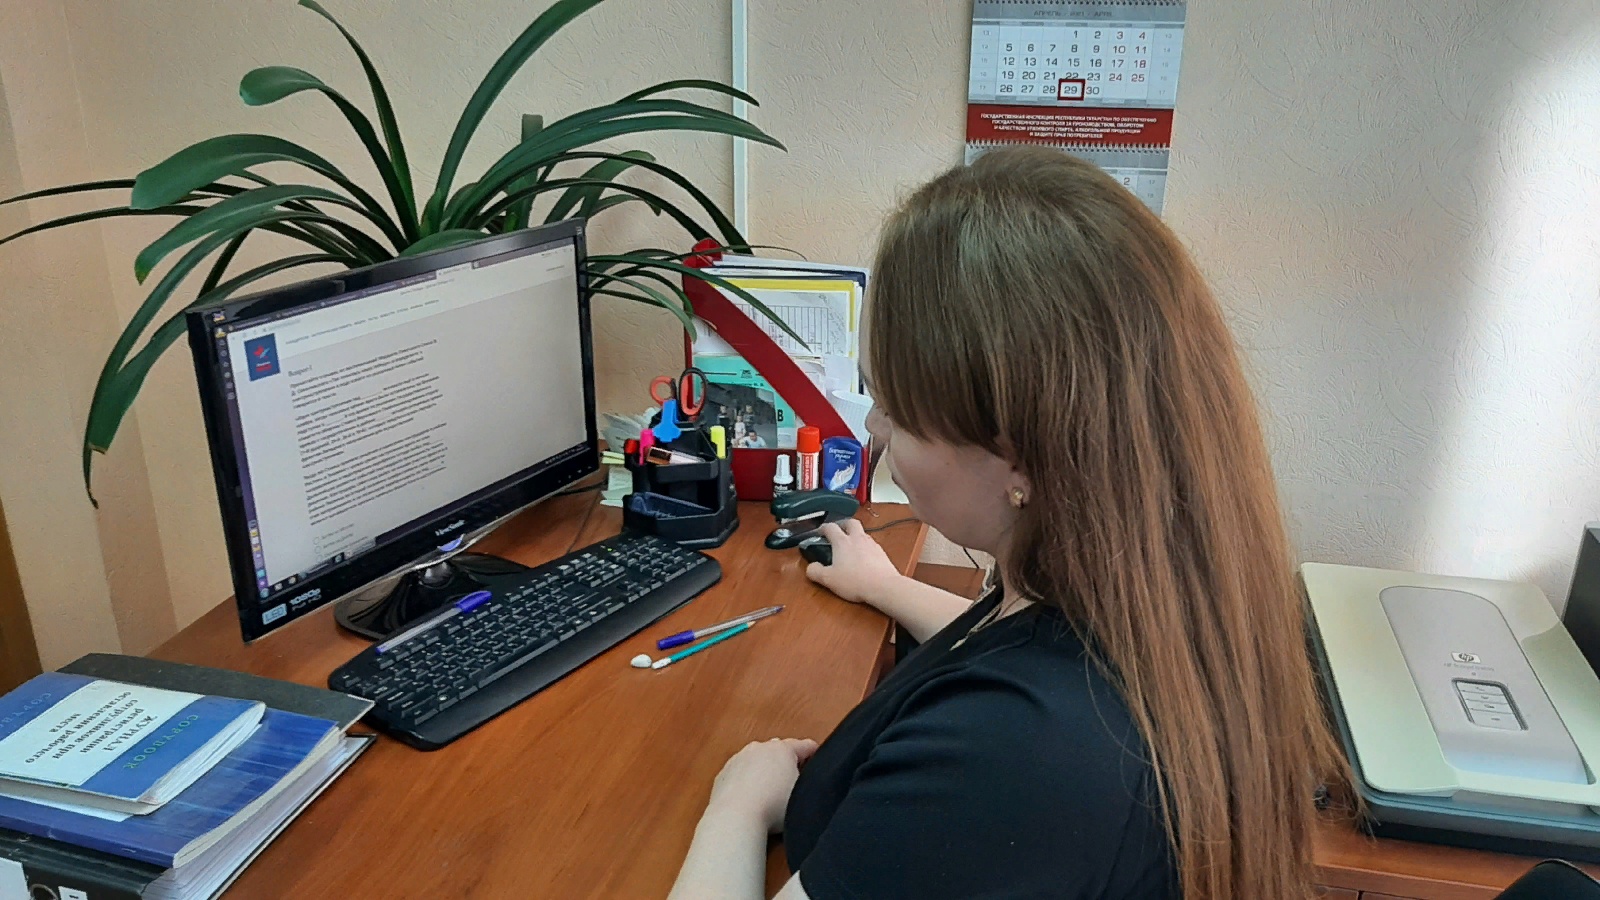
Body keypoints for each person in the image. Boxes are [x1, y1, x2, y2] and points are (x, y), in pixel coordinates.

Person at [667, 146, 1348, 900]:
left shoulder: (1008, 756)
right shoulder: (1150, 601)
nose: (876, 431)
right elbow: (1022, 649)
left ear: (1015, 457)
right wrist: (888, 588)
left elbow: (1024, 713)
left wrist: (737, 807)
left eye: (894, 406)